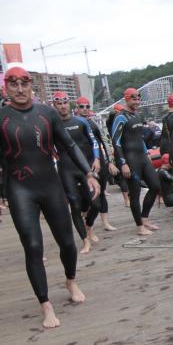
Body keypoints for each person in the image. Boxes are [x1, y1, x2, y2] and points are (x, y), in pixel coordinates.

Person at [1, 66, 100, 328]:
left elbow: (68, 145)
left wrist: (89, 173)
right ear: (6, 88)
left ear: (31, 86)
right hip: (19, 189)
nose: (20, 89)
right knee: (33, 246)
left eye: (24, 83)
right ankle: (45, 305)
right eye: (14, 84)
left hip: (50, 186)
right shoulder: (1, 117)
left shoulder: (47, 114)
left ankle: (70, 279)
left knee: (68, 244)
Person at [52, 91, 100, 254]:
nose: (63, 106)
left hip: (84, 167)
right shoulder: (53, 125)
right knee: (75, 205)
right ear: (54, 105)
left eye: (65, 102)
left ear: (69, 104)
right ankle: (85, 241)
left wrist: (97, 159)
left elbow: (94, 142)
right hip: (66, 169)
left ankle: (89, 226)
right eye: (59, 103)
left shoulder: (80, 122)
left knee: (96, 204)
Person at [112, 87, 161, 235]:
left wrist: (146, 154)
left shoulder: (138, 116)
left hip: (142, 157)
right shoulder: (121, 117)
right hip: (130, 159)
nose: (137, 100)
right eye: (134, 98)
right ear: (127, 99)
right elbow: (116, 142)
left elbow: (140, 139)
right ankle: (139, 226)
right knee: (135, 193)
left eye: (139, 98)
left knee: (155, 185)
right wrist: (123, 163)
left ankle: (144, 217)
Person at [76, 96, 118, 237]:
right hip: (84, 163)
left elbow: (105, 142)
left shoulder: (94, 124)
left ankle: (105, 222)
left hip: (98, 161)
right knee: (87, 196)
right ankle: (89, 226)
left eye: (87, 106)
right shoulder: (74, 123)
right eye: (82, 106)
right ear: (77, 108)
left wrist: (110, 161)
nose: (85, 109)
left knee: (102, 192)